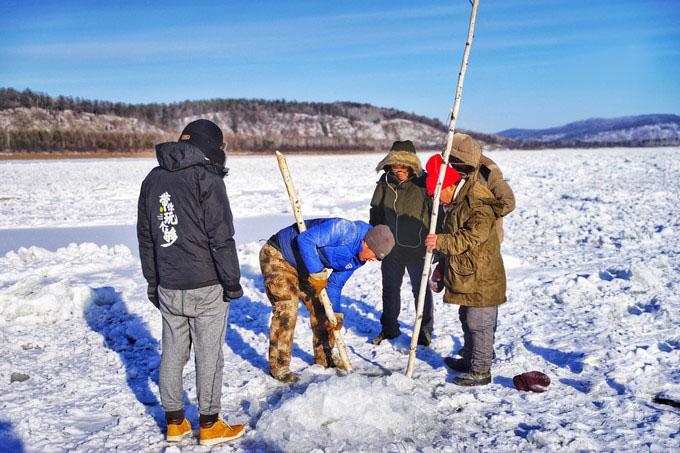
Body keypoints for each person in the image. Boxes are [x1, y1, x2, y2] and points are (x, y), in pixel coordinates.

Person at [137, 119, 245, 446]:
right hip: (206, 283)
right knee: (208, 354)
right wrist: (232, 282)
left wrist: (154, 283)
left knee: (172, 350)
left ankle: (175, 423)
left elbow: (146, 237)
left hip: (169, 284)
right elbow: (221, 236)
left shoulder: (153, 179)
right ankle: (209, 424)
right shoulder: (207, 177)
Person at [260, 218, 395, 383]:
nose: (373, 260)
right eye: (374, 255)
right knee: (287, 308)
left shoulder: (359, 259)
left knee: (324, 310)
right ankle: (279, 367)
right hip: (279, 255)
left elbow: (335, 284)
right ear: (367, 243)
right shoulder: (344, 229)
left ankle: (325, 358)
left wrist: (336, 313)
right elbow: (305, 239)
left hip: (306, 266)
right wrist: (317, 272)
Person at [423, 153, 507, 386]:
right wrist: (442, 265)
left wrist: (440, 242)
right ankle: (471, 359)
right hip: (468, 273)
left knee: (479, 322)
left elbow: (473, 236)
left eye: (439, 195)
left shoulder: (476, 200)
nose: (439, 201)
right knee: (467, 317)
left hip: (483, 275)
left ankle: (481, 371)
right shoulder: (458, 202)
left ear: (449, 186)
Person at [369, 140, 433, 346]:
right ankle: (389, 328)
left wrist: (435, 247)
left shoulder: (425, 183)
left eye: (403, 167)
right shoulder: (385, 182)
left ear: (411, 165)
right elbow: (375, 212)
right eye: (395, 167)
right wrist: (376, 240)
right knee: (389, 288)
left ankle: (424, 332)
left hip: (418, 248)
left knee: (421, 290)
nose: (399, 171)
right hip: (391, 249)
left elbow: (438, 215)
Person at [448, 133, 515, 243]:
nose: (456, 166)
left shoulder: (488, 171)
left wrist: (481, 214)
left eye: (459, 162)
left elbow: (508, 202)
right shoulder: (453, 168)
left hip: (485, 237)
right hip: (460, 237)